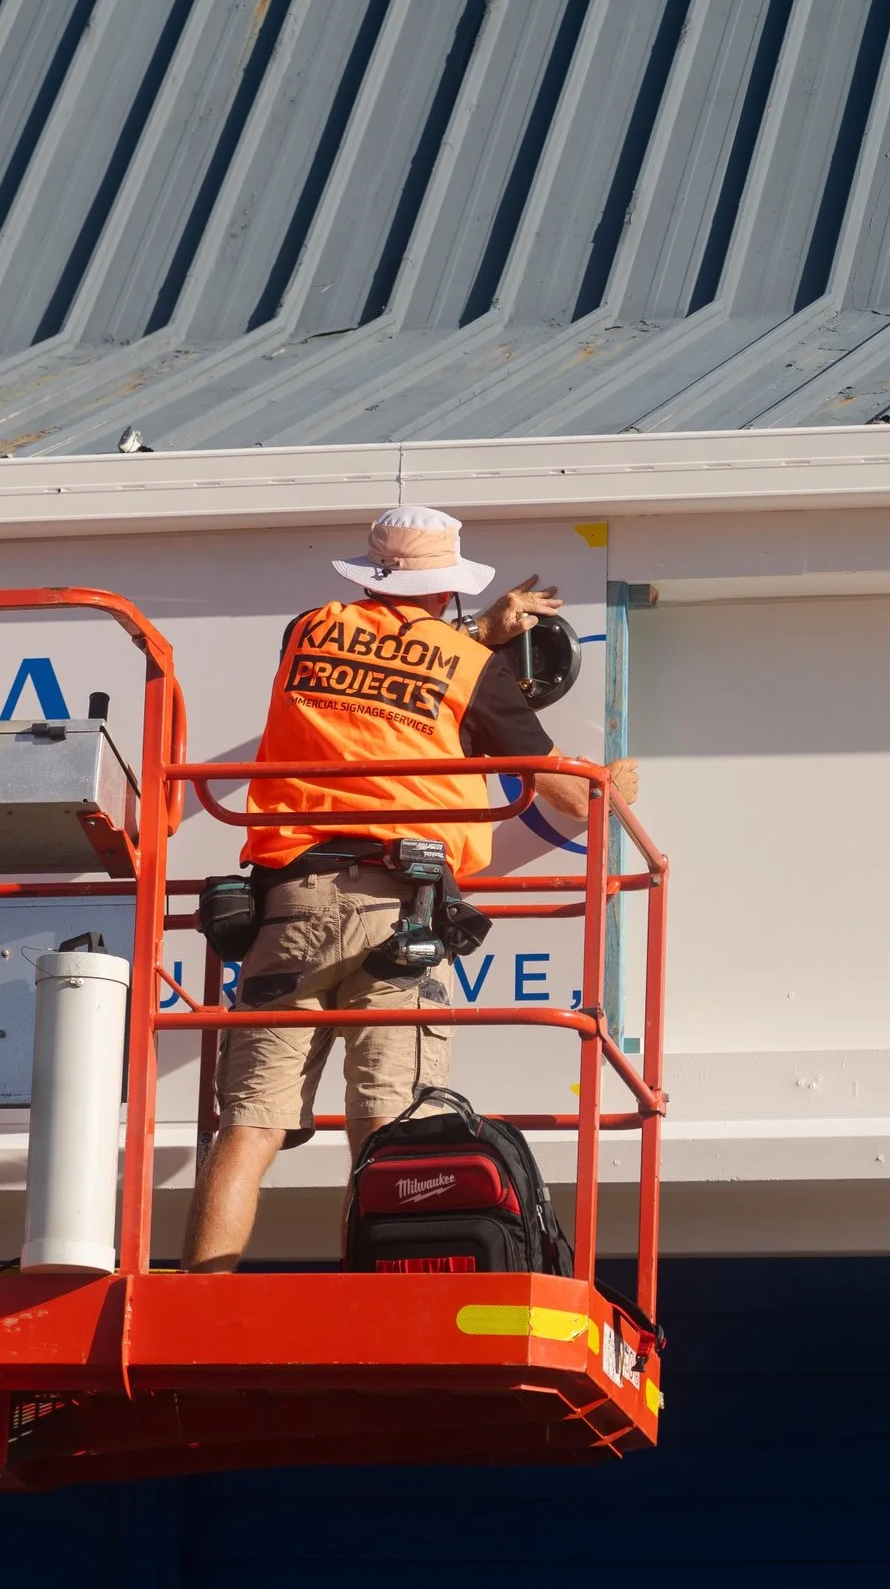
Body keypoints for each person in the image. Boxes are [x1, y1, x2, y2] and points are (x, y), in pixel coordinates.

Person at [181, 505, 640, 1273]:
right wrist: (611, 788)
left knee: (249, 1123)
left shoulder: (306, 629)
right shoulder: (473, 669)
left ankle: (196, 1298)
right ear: (444, 591)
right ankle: (373, 1299)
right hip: (402, 911)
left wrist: (475, 635)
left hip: (289, 901)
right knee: (386, 1128)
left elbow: (386, 668)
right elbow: (561, 792)